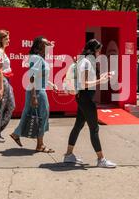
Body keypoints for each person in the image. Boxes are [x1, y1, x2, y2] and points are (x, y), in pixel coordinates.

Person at [63, 39, 116, 168]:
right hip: (86, 99)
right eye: (98, 50)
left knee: (78, 126)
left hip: (82, 98)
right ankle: (101, 159)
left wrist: (101, 77)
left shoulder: (83, 60)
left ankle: (68, 155)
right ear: (93, 50)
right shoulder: (86, 62)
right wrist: (101, 81)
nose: (99, 53)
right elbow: (84, 83)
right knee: (94, 129)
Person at [10, 36, 58, 153]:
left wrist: (51, 84)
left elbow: (39, 76)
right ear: (40, 46)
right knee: (43, 116)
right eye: (46, 44)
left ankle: (16, 134)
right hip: (37, 91)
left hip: (36, 89)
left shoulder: (38, 58)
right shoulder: (36, 58)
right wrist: (34, 96)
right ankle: (40, 145)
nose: (49, 45)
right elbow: (32, 77)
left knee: (28, 113)